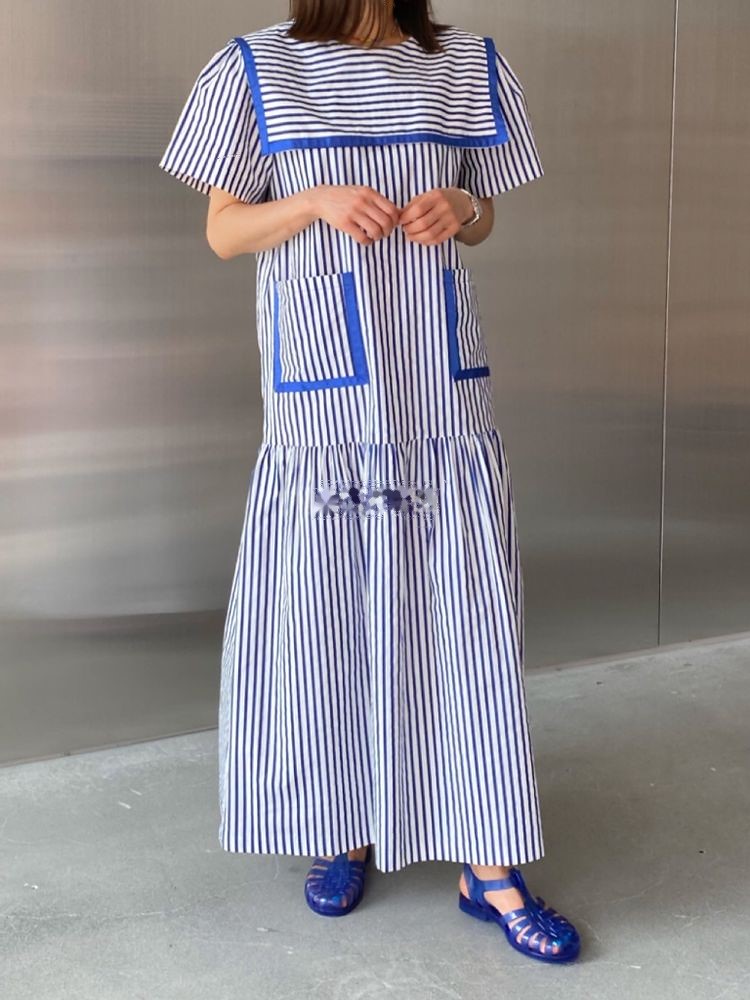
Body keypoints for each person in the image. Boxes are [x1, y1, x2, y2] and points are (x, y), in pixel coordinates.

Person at [159, 0, 580, 964]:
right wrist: (313, 202)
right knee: (329, 619)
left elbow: (484, 216)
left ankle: (490, 864)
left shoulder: (467, 62)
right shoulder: (255, 69)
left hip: (440, 403)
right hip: (325, 412)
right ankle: (343, 824)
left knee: (463, 624)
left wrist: (463, 209)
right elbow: (224, 231)